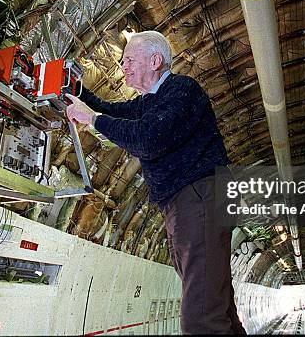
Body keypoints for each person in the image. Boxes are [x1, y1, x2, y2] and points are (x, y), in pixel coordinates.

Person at [65, 30, 246, 335]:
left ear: (155, 60)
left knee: (200, 319)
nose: (123, 66)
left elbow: (150, 139)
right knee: (217, 305)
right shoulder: (148, 103)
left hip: (200, 196)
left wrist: (93, 120)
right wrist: (75, 89)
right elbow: (109, 110)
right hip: (184, 204)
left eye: (129, 60)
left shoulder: (181, 90)